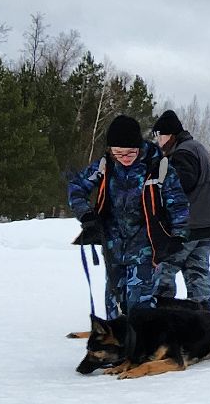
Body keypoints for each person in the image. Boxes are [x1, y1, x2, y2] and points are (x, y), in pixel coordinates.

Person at [67, 114, 189, 319]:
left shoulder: (158, 167)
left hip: (146, 244)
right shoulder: (105, 166)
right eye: (118, 153)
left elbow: (177, 204)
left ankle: (141, 345)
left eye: (130, 152)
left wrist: (179, 235)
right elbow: (76, 187)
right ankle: (117, 344)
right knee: (114, 300)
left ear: (139, 146)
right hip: (113, 244)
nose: (124, 158)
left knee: (139, 302)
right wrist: (86, 214)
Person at [151, 109, 210, 306]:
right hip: (206, 223)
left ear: (169, 135)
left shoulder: (183, 152)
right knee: (197, 268)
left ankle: (160, 309)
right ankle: (202, 312)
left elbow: (183, 183)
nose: (157, 141)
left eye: (158, 135)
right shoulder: (195, 147)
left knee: (164, 265)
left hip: (190, 223)